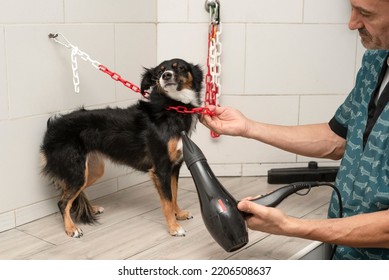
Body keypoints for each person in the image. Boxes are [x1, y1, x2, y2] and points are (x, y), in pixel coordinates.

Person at [201, 0, 389, 260]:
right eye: (352, 8)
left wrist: (291, 226)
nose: (352, 23)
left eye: (366, 13)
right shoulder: (376, 59)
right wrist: (248, 127)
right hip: (344, 253)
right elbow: (338, 139)